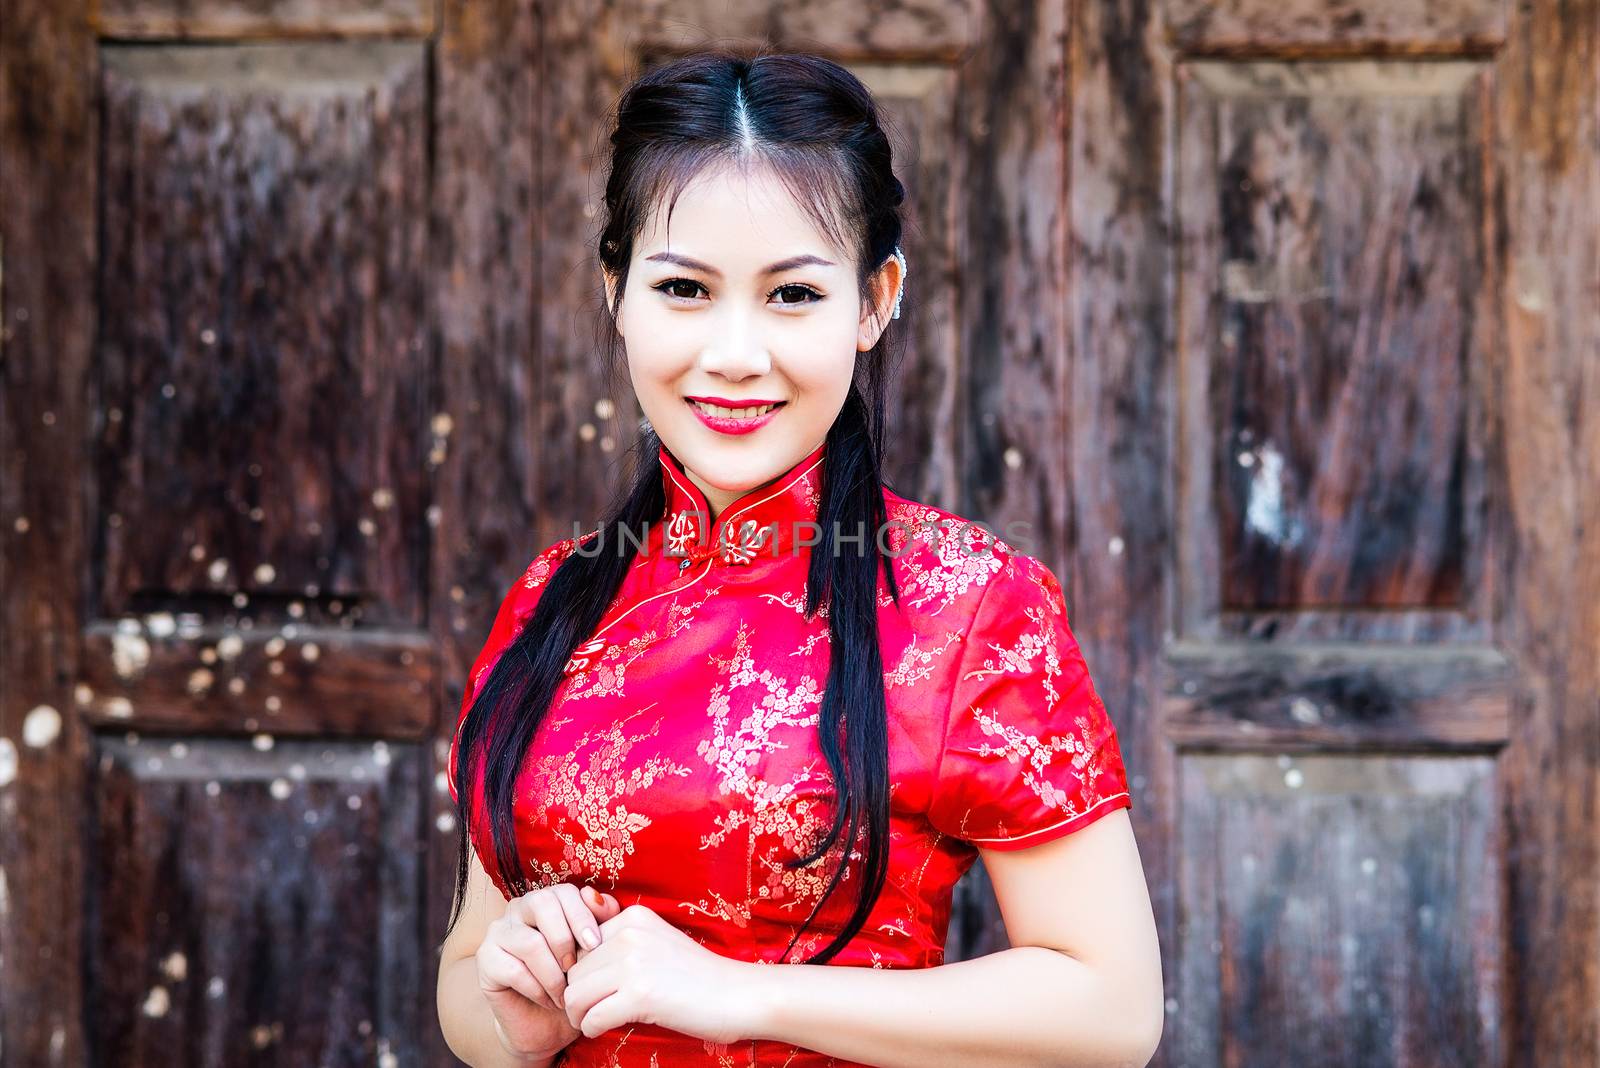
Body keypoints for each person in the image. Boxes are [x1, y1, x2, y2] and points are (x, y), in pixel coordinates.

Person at [436, 48, 1163, 1068]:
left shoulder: (970, 604)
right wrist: (520, 1009)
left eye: (791, 296)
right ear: (617, 291)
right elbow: (468, 979)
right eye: (684, 288)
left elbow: (1110, 1011)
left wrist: (740, 995)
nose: (734, 353)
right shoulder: (552, 601)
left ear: (872, 302)